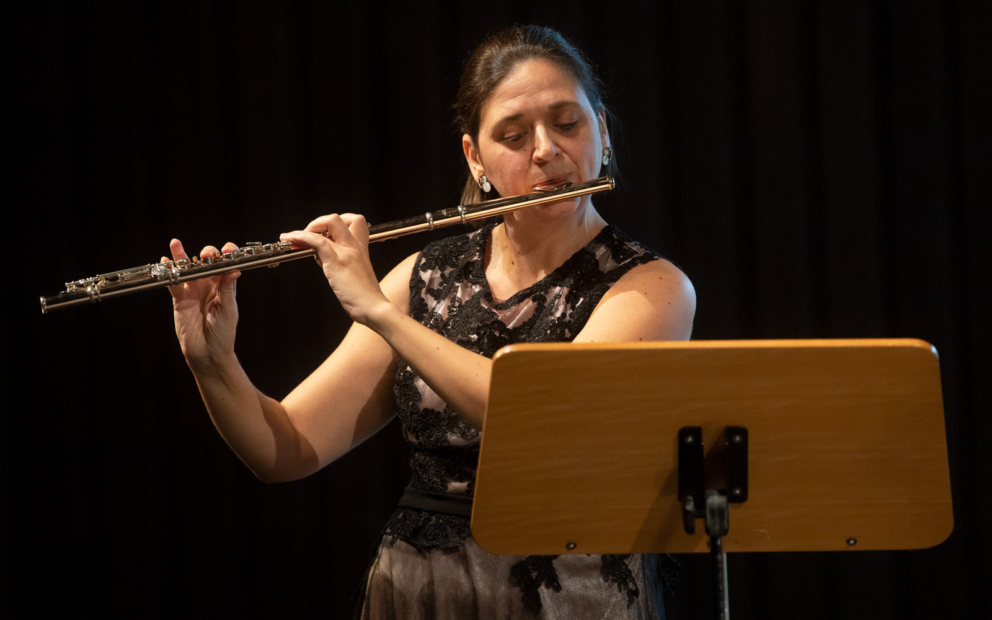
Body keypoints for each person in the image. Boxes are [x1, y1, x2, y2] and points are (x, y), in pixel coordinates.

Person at [165, 25, 695, 619]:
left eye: (567, 123)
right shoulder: (423, 279)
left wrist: (382, 314)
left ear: (601, 128)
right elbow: (285, 449)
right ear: (476, 157)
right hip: (421, 590)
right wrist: (212, 361)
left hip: (569, 593)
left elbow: (544, 417)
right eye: (514, 136)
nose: (545, 149)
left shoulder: (651, 287)